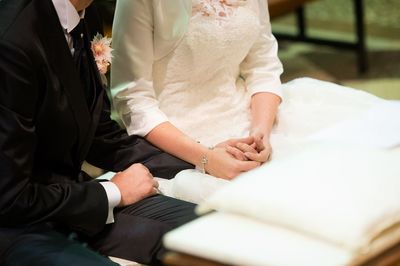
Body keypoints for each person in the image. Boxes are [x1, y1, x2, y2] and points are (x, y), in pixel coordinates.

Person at [0, 0, 198, 265]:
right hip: (14, 220)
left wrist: (201, 161)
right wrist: (112, 192)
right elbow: (9, 196)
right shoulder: (12, 39)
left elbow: (100, 135)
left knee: (208, 231)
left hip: (66, 199)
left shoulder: (83, 13)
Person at [110, 0, 282, 201]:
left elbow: (262, 64)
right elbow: (133, 99)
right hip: (179, 139)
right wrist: (207, 159)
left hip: (249, 117)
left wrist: (260, 133)